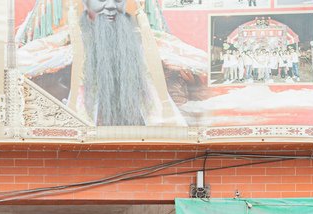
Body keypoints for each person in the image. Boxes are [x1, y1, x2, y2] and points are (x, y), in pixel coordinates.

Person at [17, 0, 203, 126]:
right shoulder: (72, 40)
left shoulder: (142, 40)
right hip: (88, 127)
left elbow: (197, 61)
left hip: (143, 125)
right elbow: (24, 59)